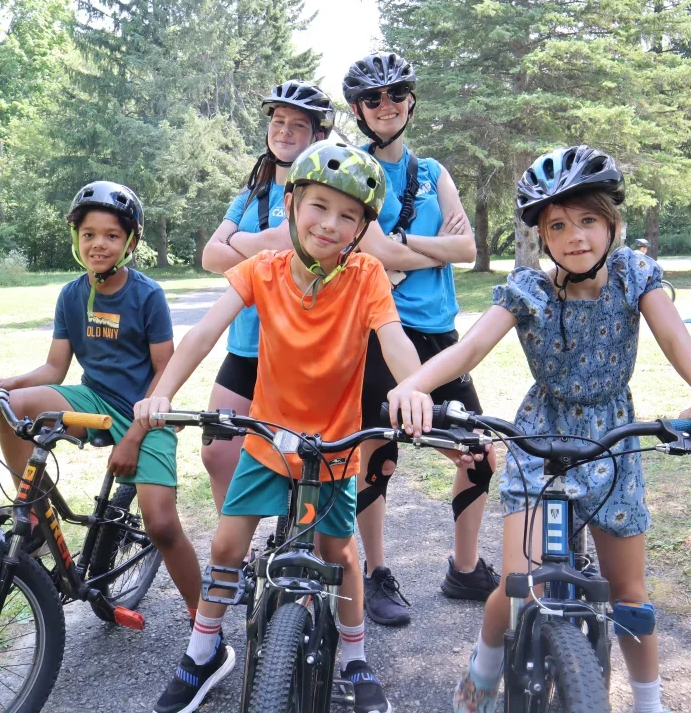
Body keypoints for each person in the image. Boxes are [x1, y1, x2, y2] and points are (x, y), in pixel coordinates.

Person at [386, 145, 691, 713]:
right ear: (542, 238)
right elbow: (472, 346)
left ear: (612, 225)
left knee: (629, 593)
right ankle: (484, 668)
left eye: (588, 220)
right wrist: (414, 386)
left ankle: (648, 702)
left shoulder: (634, 276)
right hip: (540, 438)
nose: (576, 236)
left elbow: (676, 338)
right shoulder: (527, 289)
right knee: (517, 582)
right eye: (558, 225)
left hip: (611, 438)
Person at [137, 141, 477, 713]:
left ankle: (354, 655)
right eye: (319, 205)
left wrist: (414, 389)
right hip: (267, 441)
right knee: (225, 542)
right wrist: (163, 391)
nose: (331, 224)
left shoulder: (367, 275)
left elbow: (394, 340)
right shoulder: (262, 270)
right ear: (292, 204)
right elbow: (202, 333)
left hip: (332, 449)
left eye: (349, 216)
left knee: (340, 554)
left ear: (363, 228)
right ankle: (202, 653)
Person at [0, 181, 202, 622]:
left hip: (145, 408)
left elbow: (165, 373)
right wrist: (7, 382)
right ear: (76, 238)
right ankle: (36, 518)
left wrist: (137, 434)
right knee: (14, 405)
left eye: (112, 235)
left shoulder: (147, 295)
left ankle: (204, 623)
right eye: (89, 234)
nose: (99, 244)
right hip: (93, 397)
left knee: (161, 524)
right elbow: (55, 368)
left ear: (130, 241)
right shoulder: (71, 294)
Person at [341, 50, 497, 626]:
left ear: (411, 101)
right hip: (381, 331)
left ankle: (464, 568)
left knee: (479, 451)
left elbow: (468, 249)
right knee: (379, 451)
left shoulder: (434, 172)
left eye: (396, 94)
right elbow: (374, 252)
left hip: (440, 334)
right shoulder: (353, 169)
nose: (386, 105)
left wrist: (407, 246)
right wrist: (429, 246)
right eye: (373, 98)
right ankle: (377, 572)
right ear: (358, 109)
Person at [199, 80, 334, 509]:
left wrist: (238, 240)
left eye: (298, 124)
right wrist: (264, 242)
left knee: (302, 460)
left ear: (318, 136)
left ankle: (301, 557)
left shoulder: (320, 194)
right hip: (245, 345)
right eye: (278, 122)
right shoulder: (250, 194)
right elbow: (209, 256)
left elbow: (289, 244)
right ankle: (236, 557)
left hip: (297, 350)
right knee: (218, 452)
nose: (285, 131)